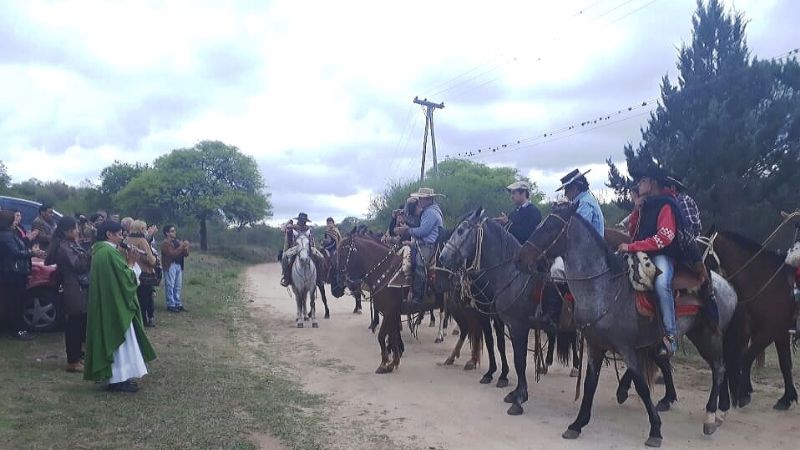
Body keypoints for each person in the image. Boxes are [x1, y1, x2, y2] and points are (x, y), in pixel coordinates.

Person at [618, 166, 688, 356]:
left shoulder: (666, 205)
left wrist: (632, 247)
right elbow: (633, 232)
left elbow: (664, 238)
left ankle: (671, 337)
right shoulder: (645, 205)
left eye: (642, 181)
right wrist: (636, 208)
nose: (638, 185)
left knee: (661, 284)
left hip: (662, 255)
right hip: (643, 254)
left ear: (652, 183)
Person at [84, 220, 156, 392]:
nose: (121, 237)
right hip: (115, 306)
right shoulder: (109, 253)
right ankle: (118, 379)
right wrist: (131, 262)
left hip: (109, 302)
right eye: (118, 234)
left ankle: (118, 378)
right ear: (108, 234)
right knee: (120, 341)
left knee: (118, 341)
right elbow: (126, 279)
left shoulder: (100, 251)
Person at [46, 216, 91, 372]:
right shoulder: (64, 246)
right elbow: (79, 265)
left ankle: (77, 354)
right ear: (68, 230)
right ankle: (73, 360)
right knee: (74, 323)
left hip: (76, 286)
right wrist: (88, 254)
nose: (78, 231)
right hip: (72, 287)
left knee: (79, 322)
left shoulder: (69, 243)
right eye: (75, 229)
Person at [393, 188, 445, 306]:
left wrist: (407, 230)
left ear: (428, 199)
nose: (419, 201)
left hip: (428, 246)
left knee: (419, 266)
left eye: (421, 198)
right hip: (423, 244)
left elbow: (423, 231)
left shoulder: (430, 213)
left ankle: (418, 297)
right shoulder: (429, 211)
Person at [0, 210, 45, 340]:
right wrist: (33, 253)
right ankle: (17, 330)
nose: (17, 221)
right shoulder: (5, 236)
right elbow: (15, 253)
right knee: (15, 302)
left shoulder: (9, 234)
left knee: (15, 301)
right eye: (14, 219)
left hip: (14, 272)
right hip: (12, 273)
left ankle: (17, 328)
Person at [280, 213, 324, 287]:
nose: (303, 222)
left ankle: (319, 277)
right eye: (301, 220)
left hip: (308, 247)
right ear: (298, 220)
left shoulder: (309, 228)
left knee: (321, 257)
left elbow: (312, 239)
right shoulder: (293, 228)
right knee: (284, 257)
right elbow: (282, 229)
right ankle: (286, 277)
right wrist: (288, 222)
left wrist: (313, 247)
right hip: (295, 247)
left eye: (304, 220)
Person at [556, 168, 605, 235]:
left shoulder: (584, 203)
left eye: (567, 189)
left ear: (575, 188)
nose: (565, 194)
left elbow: (578, 231)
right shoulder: (584, 200)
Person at [128, 220, 159, 326]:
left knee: (135, 297)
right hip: (145, 273)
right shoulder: (142, 241)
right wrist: (155, 260)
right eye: (145, 228)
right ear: (141, 229)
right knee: (146, 298)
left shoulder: (127, 240)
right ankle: (146, 319)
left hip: (131, 271)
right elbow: (151, 259)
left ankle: (136, 319)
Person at [161, 225, 190, 313]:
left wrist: (186, 247)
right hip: (170, 265)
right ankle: (171, 304)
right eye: (172, 231)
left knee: (178, 286)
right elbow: (172, 254)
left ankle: (177, 303)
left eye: (174, 231)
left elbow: (186, 254)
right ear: (167, 233)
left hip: (178, 265)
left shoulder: (177, 241)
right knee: (170, 285)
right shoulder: (165, 243)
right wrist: (182, 246)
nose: (174, 232)